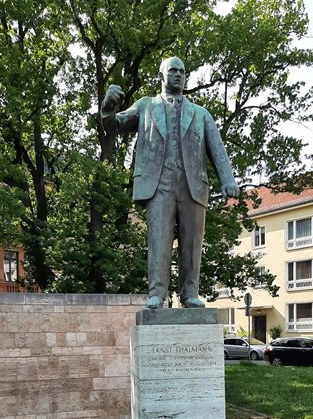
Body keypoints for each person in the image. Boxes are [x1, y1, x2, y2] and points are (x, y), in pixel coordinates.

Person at [101, 57, 240, 309]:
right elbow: (114, 125)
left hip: (193, 186)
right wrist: (108, 105)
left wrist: (227, 179)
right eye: (173, 70)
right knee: (159, 239)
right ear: (161, 76)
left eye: (182, 72)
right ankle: (157, 294)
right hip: (159, 185)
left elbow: (217, 148)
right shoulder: (146, 106)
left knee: (192, 243)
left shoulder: (200, 114)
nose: (178, 75)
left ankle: (190, 294)